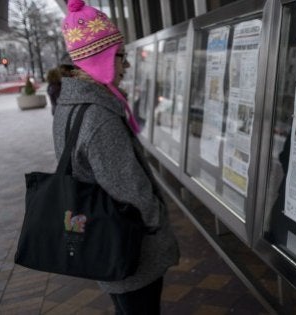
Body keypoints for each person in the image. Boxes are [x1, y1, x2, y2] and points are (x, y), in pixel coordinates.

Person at [53, 0, 179, 314]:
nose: (126, 66)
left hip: (102, 240)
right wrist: (157, 223)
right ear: (100, 59)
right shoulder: (100, 118)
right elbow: (131, 190)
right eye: (120, 56)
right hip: (128, 250)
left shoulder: (70, 103)